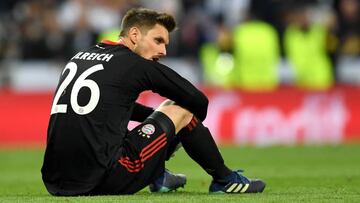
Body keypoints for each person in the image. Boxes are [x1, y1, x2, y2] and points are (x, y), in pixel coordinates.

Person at [41, 7, 265, 196]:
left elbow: (109, 106)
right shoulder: (135, 65)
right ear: (135, 35)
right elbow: (198, 101)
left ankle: (158, 175)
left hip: (55, 180)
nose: (163, 51)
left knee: (162, 111)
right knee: (181, 111)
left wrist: (156, 121)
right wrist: (175, 132)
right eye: (158, 40)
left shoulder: (81, 56)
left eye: (166, 43)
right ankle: (225, 180)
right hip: (103, 178)